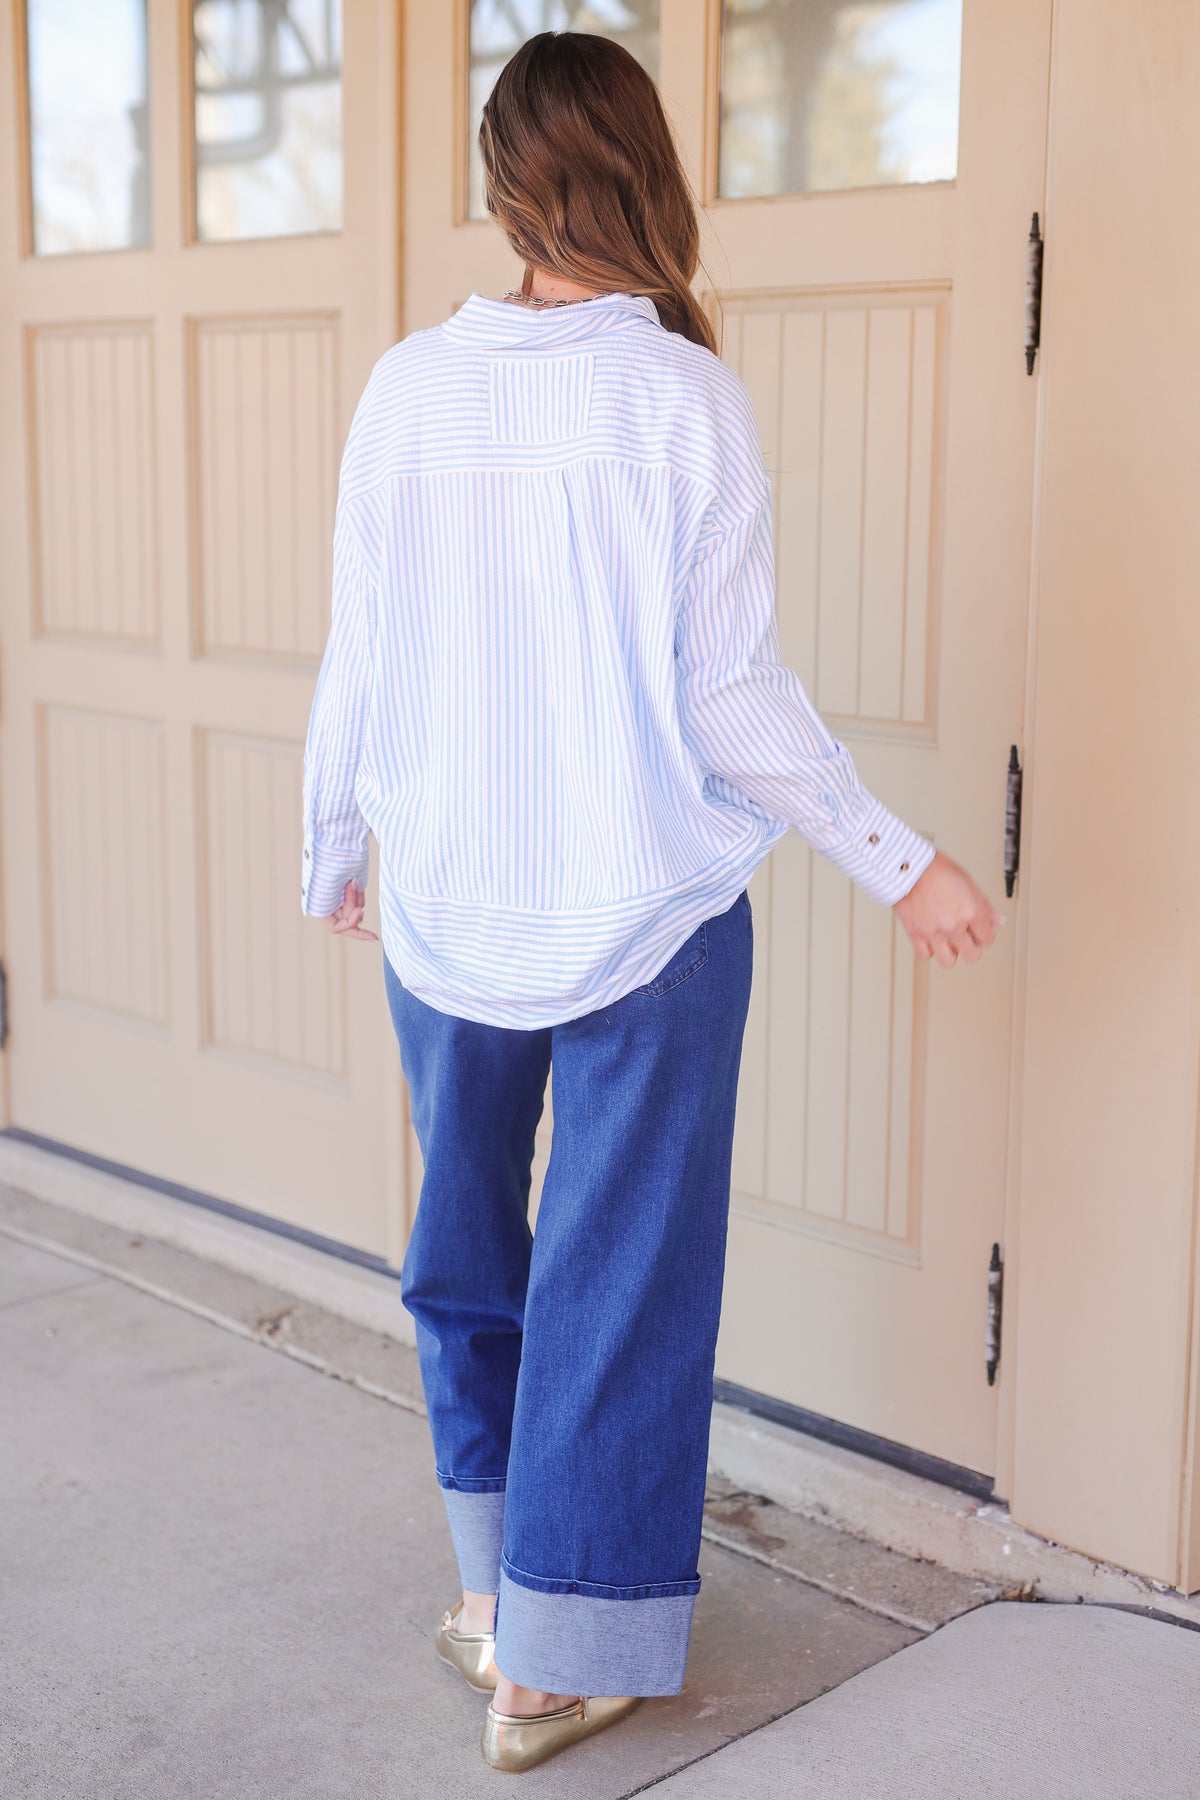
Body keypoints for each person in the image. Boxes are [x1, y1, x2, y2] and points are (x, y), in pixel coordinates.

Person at [300, 29, 1002, 1775]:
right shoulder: (682, 396)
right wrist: (898, 861)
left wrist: (334, 845)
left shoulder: (406, 385)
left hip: (449, 902)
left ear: (502, 184)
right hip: (649, 919)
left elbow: (360, 664)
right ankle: (556, 1651)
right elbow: (728, 700)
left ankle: (494, 1596)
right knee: (621, 1278)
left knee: (466, 1244)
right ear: (643, 168)